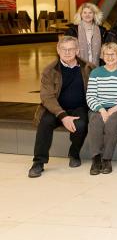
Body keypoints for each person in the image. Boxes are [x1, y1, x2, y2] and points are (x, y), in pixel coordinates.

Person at [28, 36, 95, 178]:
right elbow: (47, 97)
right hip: (56, 109)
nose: (67, 52)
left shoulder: (89, 68)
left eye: (71, 49)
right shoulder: (50, 70)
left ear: (77, 50)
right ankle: (38, 162)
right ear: (58, 50)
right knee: (44, 123)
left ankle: (74, 153)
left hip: (79, 107)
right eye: (63, 49)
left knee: (81, 125)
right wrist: (63, 115)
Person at [85, 42, 117, 175]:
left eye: (113, 54)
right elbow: (90, 96)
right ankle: (96, 158)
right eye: (106, 54)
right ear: (102, 56)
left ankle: (107, 159)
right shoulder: (96, 72)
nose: (110, 57)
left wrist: (116, 108)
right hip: (99, 107)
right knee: (95, 122)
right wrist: (101, 109)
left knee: (111, 123)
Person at [66, 2, 107, 66]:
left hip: (98, 65)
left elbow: (105, 49)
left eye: (90, 13)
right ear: (80, 14)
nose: (87, 15)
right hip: (77, 66)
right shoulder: (72, 31)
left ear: (94, 15)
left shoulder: (102, 30)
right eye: (84, 12)